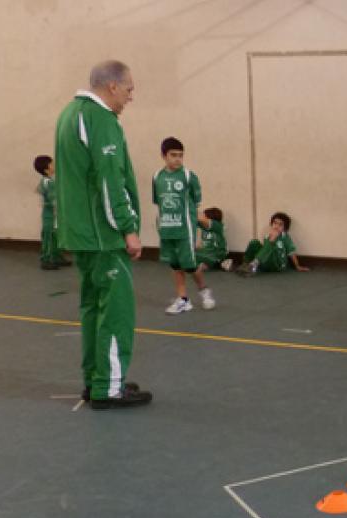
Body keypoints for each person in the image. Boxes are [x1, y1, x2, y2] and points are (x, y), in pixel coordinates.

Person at [54, 59, 152, 408]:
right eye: (128, 90)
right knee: (116, 311)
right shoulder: (101, 120)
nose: (130, 97)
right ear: (112, 86)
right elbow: (109, 181)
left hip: (80, 234)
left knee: (93, 309)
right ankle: (109, 387)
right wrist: (128, 229)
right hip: (103, 236)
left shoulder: (69, 113)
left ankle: (97, 380)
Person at [152, 137, 214, 313]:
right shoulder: (157, 177)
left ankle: (204, 290)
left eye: (181, 155)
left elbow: (196, 204)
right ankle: (183, 299)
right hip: (166, 228)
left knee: (190, 265)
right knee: (175, 265)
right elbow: (160, 203)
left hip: (184, 229)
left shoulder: (188, 176)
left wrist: (196, 230)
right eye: (173, 155)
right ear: (164, 156)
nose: (178, 159)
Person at [236, 212, 304, 275]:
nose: (277, 226)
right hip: (266, 262)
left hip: (278, 265)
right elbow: (265, 251)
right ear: (271, 224)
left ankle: (253, 265)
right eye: (275, 223)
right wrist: (271, 238)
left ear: (285, 228)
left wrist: (297, 266)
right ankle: (246, 264)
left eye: (280, 224)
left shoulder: (285, 237)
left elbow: (291, 252)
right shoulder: (267, 235)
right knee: (254, 242)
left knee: (270, 245)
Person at [33, 155, 67, 269]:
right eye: (52, 164)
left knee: (56, 237)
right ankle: (46, 259)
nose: (55, 165)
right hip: (50, 216)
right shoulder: (48, 183)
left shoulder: (49, 181)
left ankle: (57, 257)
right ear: (46, 169)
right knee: (49, 238)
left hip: (55, 215)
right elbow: (54, 200)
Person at [196, 207, 232, 272]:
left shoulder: (218, 226)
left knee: (207, 259)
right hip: (204, 252)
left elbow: (200, 220)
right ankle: (205, 265)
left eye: (204, 216)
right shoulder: (202, 226)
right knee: (187, 255)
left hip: (217, 253)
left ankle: (220, 263)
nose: (202, 218)